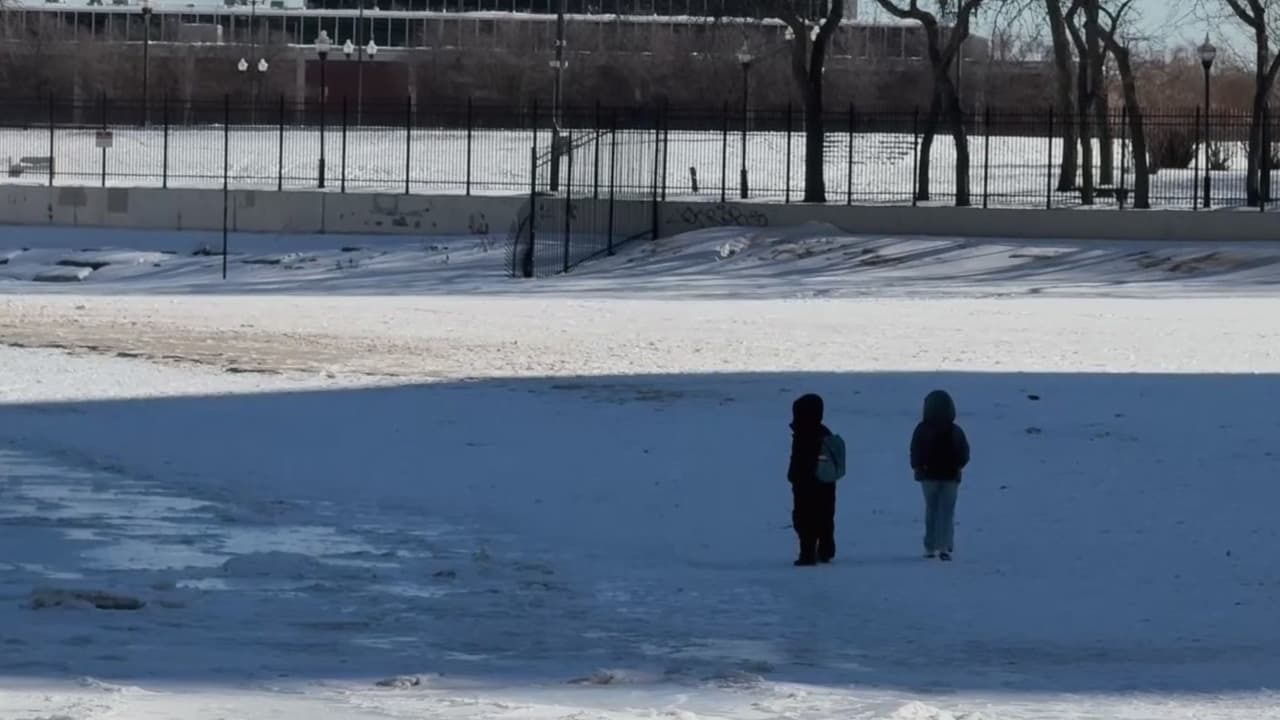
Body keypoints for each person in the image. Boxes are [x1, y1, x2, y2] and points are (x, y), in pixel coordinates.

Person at [910, 390, 970, 562]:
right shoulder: (956, 430)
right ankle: (944, 546)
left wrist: (917, 467)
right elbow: (964, 453)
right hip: (951, 476)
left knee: (931, 510)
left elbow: (915, 451)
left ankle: (930, 546)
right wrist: (958, 465)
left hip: (928, 476)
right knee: (947, 511)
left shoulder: (921, 429)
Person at [788, 393, 837, 566]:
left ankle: (807, 554)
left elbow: (799, 459)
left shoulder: (803, 434)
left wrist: (793, 476)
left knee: (804, 518)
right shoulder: (824, 432)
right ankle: (825, 550)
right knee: (825, 516)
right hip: (826, 481)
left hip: (806, 483)